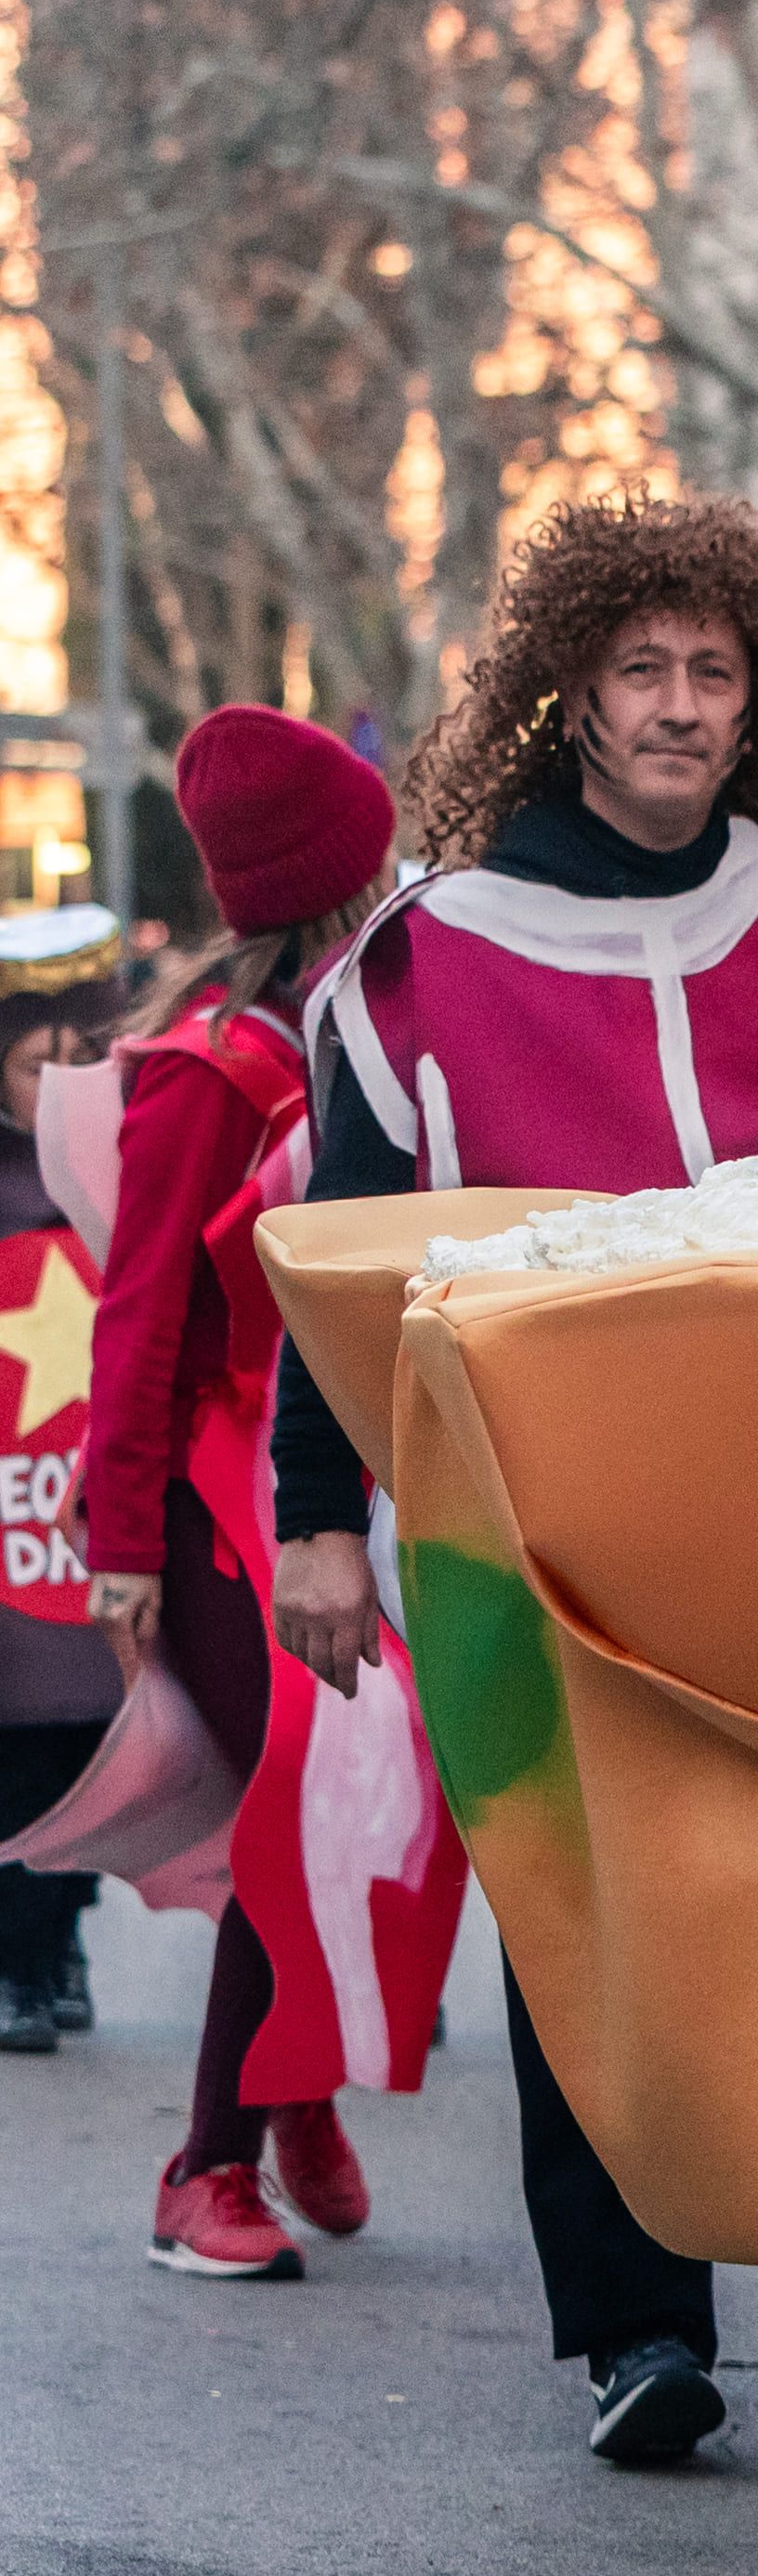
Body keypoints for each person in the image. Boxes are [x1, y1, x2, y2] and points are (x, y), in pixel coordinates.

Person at [267, 492, 758, 2456]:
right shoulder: (416, 967)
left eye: (716, 672)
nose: (680, 704)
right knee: (586, 1912)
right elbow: (335, 1255)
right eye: (643, 667)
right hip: (515, 1519)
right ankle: (640, 2323)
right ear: (572, 691)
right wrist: (315, 1524)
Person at [92, 710, 393, 2285]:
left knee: (364, 1793)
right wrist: (121, 1545)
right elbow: (137, 1315)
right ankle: (206, 2156)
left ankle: (293, 2089)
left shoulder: (361, 1030)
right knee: (285, 1813)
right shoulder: (208, 1072)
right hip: (222, 1494)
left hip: (325, 1470)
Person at [0, 967, 120, 2049]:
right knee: (14, 1743)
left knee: (90, 1736)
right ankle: (17, 1963)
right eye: (40, 1067)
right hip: (5, 1499)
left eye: (82, 1063)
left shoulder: (116, 1178)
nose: (63, 1086)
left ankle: (59, 1936)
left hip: (86, 1503)